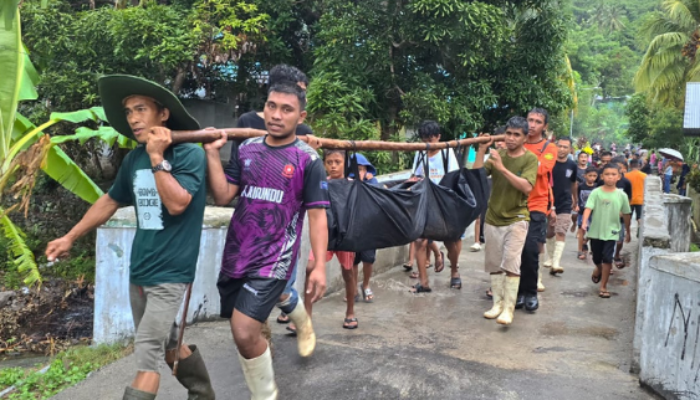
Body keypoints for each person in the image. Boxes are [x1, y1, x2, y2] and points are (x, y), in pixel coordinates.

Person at [46, 75, 214, 400]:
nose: (133, 118)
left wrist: (157, 157)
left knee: (147, 355)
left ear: (163, 114)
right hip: (139, 273)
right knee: (168, 345)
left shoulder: (189, 156)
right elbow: (109, 201)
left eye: (141, 109)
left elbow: (178, 204)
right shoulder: (134, 159)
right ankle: (204, 394)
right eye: (128, 112)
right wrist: (70, 236)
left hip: (170, 273)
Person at [204, 82, 329, 398]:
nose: (276, 115)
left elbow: (317, 216)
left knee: (243, 330)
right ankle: (300, 325)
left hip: (275, 257)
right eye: (271, 106)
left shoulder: (308, 160)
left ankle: (266, 395)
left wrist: (319, 266)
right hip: (238, 253)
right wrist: (212, 155)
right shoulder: (247, 149)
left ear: (300, 116)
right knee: (247, 332)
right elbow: (223, 195)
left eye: (286, 109)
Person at [474, 116, 537, 325]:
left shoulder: (529, 160)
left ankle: (508, 309)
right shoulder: (497, 155)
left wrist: (501, 168)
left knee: (511, 263)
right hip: (493, 217)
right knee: (494, 263)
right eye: (508, 133)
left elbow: (527, 187)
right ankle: (497, 305)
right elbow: (476, 176)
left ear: (525, 137)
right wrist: (482, 151)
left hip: (517, 217)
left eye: (516, 135)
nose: (511, 138)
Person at [410, 120, 463, 292]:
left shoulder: (447, 152)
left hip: (443, 202)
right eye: (425, 139)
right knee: (419, 241)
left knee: (450, 241)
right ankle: (424, 282)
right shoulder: (420, 153)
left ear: (438, 137)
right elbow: (415, 175)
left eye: (431, 139)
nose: (428, 143)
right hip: (425, 202)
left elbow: (454, 178)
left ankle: (454, 271)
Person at [517, 108, 557, 312]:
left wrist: (518, 160)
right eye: (529, 120)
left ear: (545, 126)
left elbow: (541, 169)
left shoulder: (549, 148)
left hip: (537, 205)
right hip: (513, 204)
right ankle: (517, 292)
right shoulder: (517, 142)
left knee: (531, 250)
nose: (532, 125)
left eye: (537, 121)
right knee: (514, 252)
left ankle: (530, 291)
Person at [582, 164, 631, 299]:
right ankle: (598, 267)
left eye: (613, 174)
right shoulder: (596, 192)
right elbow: (588, 208)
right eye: (607, 174)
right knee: (597, 257)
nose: (610, 177)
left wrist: (628, 231)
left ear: (618, 177)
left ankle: (603, 286)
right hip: (596, 231)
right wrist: (584, 222)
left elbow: (627, 213)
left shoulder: (621, 195)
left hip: (613, 231)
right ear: (602, 177)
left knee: (608, 258)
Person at [543, 137, 578, 280]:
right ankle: (551, 258)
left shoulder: (572, 165)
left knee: (561, 230)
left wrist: (575, 199)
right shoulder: (549, 163)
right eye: (560, 146)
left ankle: (556, 263)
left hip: (565, 202)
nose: (562, 149)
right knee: (549, 232)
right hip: (547, 201)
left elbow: (573, 183)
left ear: (570, 149)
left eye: (565, 147)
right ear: (555, 146)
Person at [352, 153, 380, 303]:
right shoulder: (347, 183)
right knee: (353, 261)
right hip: (352, 228)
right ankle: (353, 287)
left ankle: (366, 284)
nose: (359, 172)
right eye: (356, 169)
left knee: (368, 259)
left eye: (362, 169)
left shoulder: (373, 183)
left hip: (370, 228)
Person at [471, 127, 504, 253]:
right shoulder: (492, 157)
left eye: (502, 139)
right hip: (494, 209)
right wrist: (481, 149)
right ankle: (478, 240)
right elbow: (477, 173)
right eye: (498, 139)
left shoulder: (523, 157)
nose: (500, 143)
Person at [576, 167, 598, 260]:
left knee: (592, 231)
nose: (592, 178)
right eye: (590, 175)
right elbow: (576, 196)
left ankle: (586, 242)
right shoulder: (581, 186)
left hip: (594, 212)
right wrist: (576, 205)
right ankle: (580, 250)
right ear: (585, 176)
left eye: (594, 176)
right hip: (582, 211)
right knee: (582, 230)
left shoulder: (597, 187)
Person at [626, 159, 647, 232]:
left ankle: (627, 231)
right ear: (639, 165)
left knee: (628, 217)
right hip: (640, 199)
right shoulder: (644, 176)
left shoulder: (626, 176)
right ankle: (640, 231)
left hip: (629, 200)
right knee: (639, 217)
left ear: (630, 165)